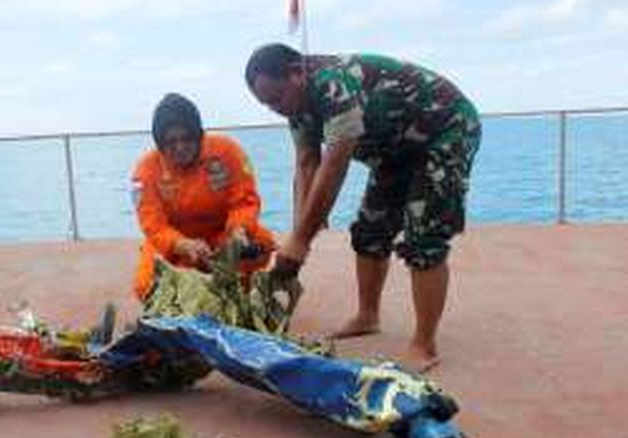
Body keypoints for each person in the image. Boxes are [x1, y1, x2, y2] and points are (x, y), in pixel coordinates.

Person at [245, 44, 481, 372]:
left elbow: (335, 161)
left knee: (424, 239)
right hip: (393, 149)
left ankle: (424, 344)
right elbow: (307, 161)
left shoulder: (333, 85)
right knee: (370, 230)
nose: (277, 108)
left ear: (297, 73)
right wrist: (299, 234)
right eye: (267, 104)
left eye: (278, 97)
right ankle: (367, 315)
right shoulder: (295, 106)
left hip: (444, 131)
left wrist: (301, 241)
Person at [131, 93, 276, 299]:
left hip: (221, 237)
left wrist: (238, 232)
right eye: (171, 142)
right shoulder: (145, 170)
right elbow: (153, 226)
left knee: (263, 244)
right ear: (159, 143)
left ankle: (235, 293)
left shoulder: (227, 151)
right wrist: (182, 245)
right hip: (176, 245)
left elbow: (244, 202)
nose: (180, 147)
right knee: (145, 285)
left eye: (186, 138)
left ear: (199, 134)